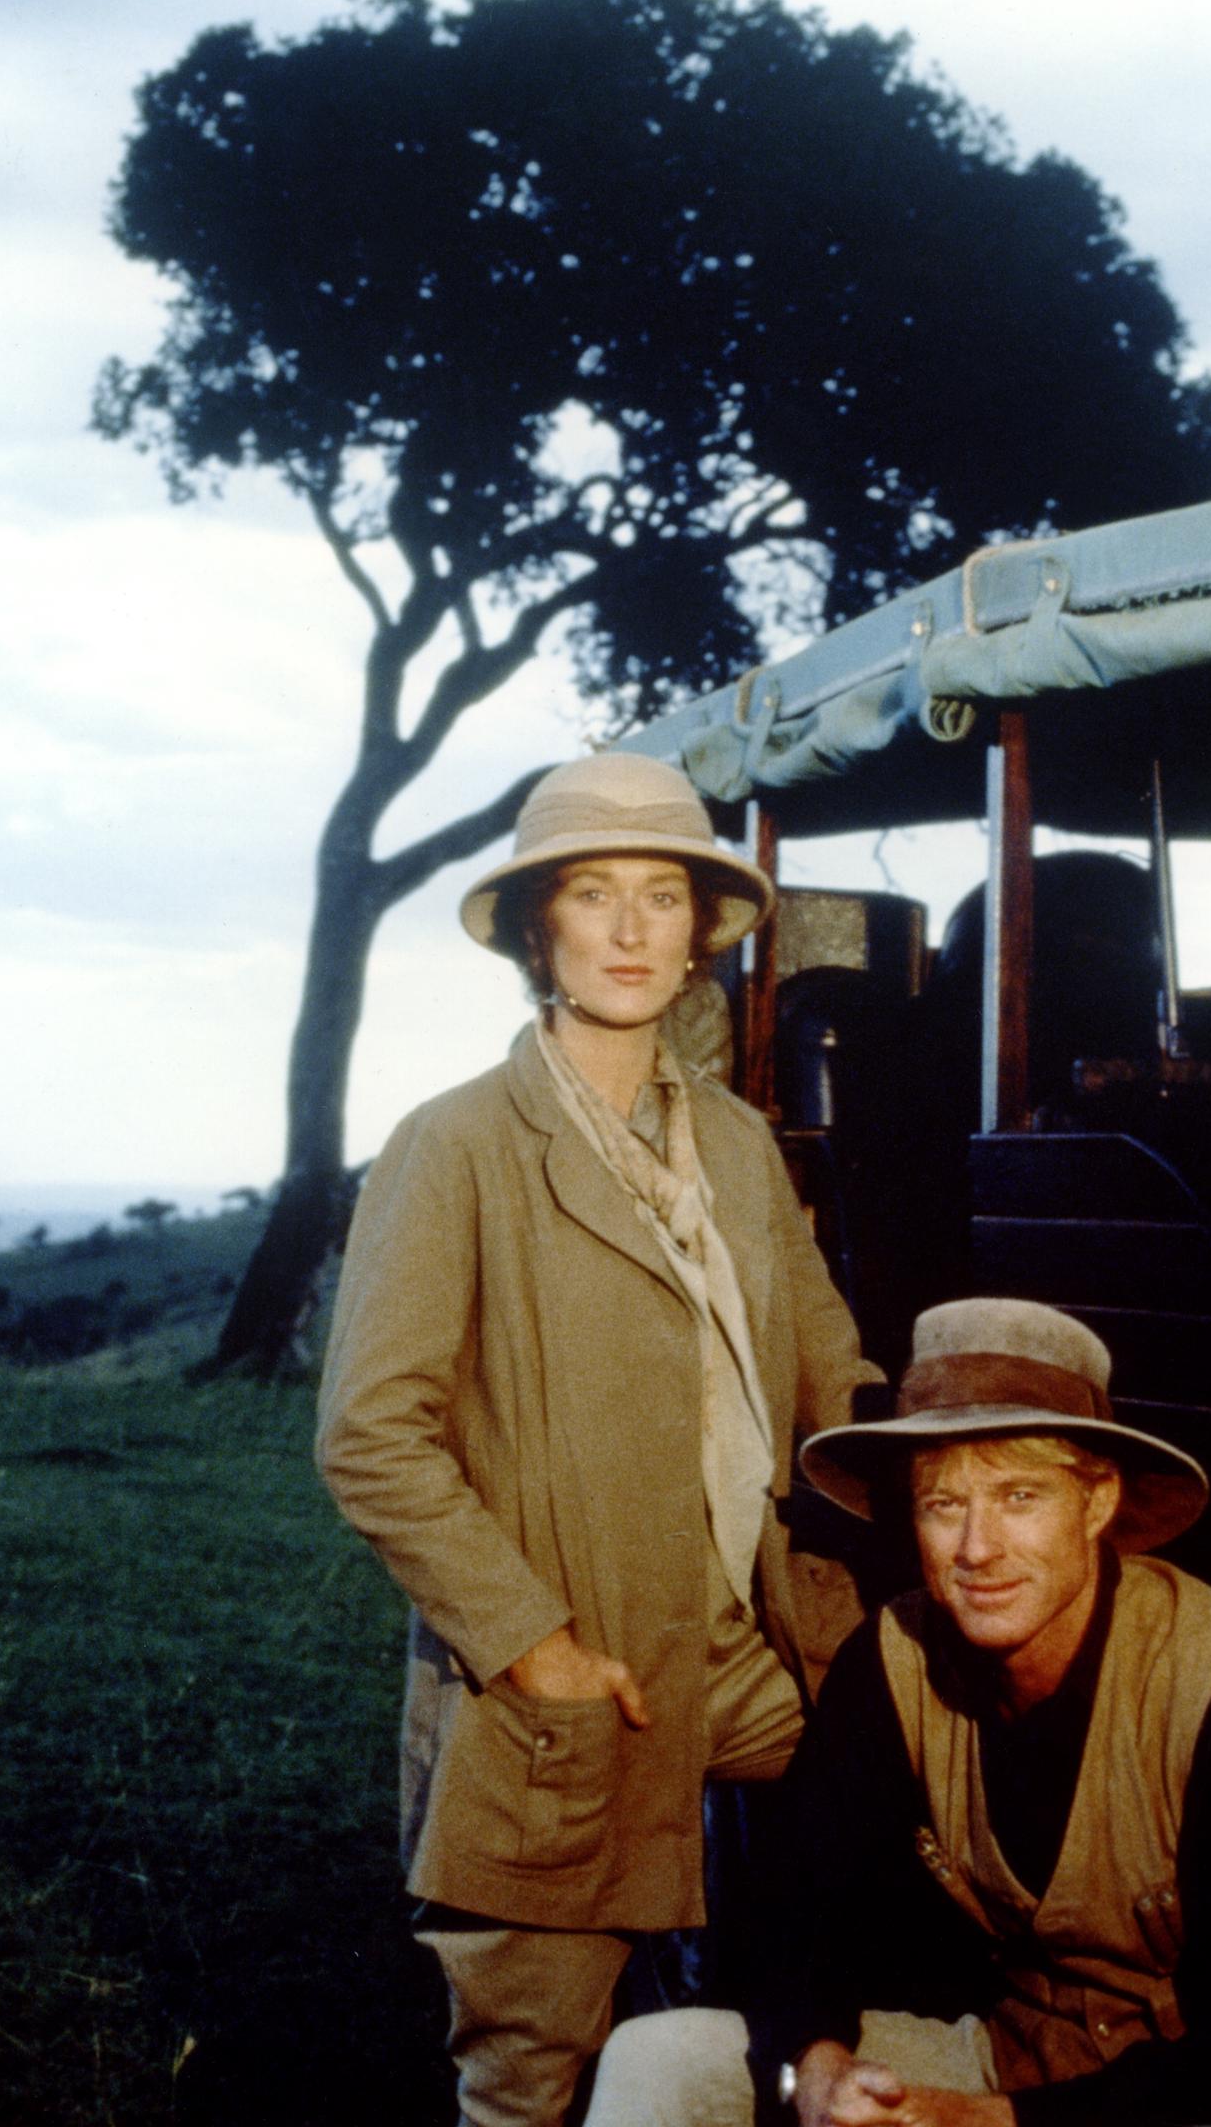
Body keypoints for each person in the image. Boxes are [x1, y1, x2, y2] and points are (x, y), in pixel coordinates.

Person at [315, 751, 882, 2127]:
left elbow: (834, 1378)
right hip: (575, 1672)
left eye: (660, 897)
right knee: (527, 2065)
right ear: (535, 929)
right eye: (589, 893)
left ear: (701, 933)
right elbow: (370, 1438)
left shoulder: (741, 1147)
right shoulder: (452, 1146)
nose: (629, 931)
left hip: (752, 1654)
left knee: (868, 1918)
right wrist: (529, 1643)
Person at [585, 1297, 1211, 2127]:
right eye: (942, 1504)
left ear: (1097, 1503)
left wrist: (991, 2122)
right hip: (1016, 2063)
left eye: (1020, 1496)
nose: (976, 1549)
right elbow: (795, 1908)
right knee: (661, 2061)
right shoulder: (895, 1658)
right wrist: (816, 2070)